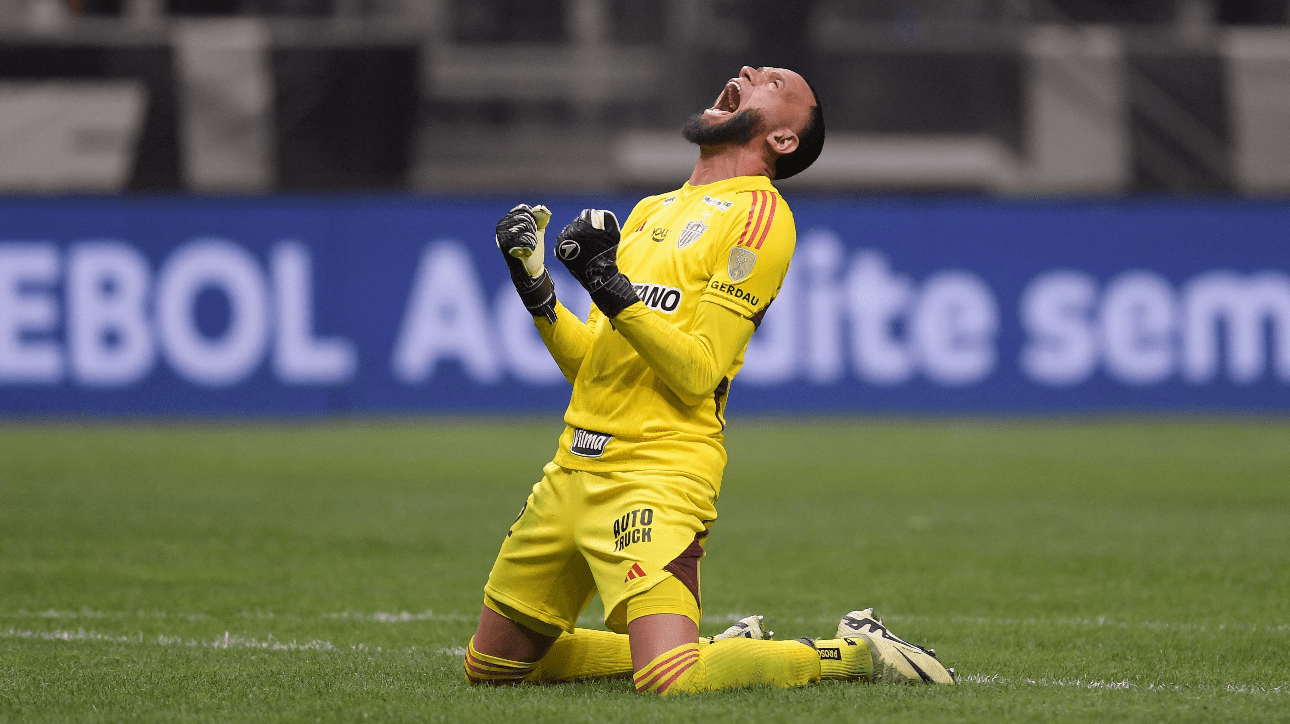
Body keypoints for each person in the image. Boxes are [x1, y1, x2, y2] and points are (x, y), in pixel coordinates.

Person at [464, 66, 954, 694]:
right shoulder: (651, 210)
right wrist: (538, 291)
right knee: (494, 668)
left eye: (774, 82)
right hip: (572, 469)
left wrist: (610, 286)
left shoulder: (760, 219)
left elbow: (698, 372)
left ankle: (853, 653)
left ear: (782, 140)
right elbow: (594, 366)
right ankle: (714, 649)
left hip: (658, 471)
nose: (751, 71)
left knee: (669, 679)